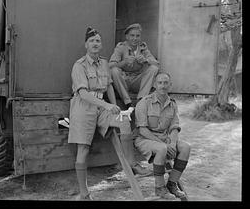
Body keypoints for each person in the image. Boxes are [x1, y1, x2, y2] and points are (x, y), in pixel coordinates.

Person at [68, 27, 133, 200]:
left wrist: (113, 105)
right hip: (83, 108)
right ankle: (84, 193)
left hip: (102, 107)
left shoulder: (104, 63)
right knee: (83, 149)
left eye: (98, 40)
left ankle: (130, 164)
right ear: (86, 45)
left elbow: (109, 85)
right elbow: (82, 93)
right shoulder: (79, 65)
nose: (95, 43)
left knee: (124, 122)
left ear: (101, 44)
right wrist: (106, 104)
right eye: (92, 41)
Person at [134, 71, 191, 200]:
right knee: (162, 149)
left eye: (166, 83)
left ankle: (172, 184)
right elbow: (142, 130)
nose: (163, 86)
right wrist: (165, 144)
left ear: (170, 85)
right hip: (144, 139)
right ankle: (159, 188)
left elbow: (174, 127)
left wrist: (172, 143)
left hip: (164, 139)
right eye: (160, 83)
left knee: (185, 148)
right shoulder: (144, 103)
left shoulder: (172, 104)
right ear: (154, 85)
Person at [109, 23, 159, 109]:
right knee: (114, 70)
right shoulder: (121, 48)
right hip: (124, 81)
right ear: (127, 37)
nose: (135, 38)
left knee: (153, 68)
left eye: (137, 36)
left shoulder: (143, 48)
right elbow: (110, 66)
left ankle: (141, 100)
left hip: (137, 81)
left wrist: (146, 60)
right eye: (132, 35)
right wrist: (124, 62)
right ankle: (127, 102)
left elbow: (156, 64)